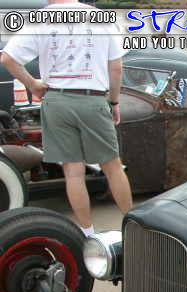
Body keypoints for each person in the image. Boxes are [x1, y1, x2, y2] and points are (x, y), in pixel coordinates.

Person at [1, 0, 132, 237]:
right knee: (112, 166)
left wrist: (32, 84)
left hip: (56, 100)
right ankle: (133, 228)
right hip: (92, 99)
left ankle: (87, 233)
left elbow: (8, 59)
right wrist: (114, 102)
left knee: (73, 171)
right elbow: (116, 68)